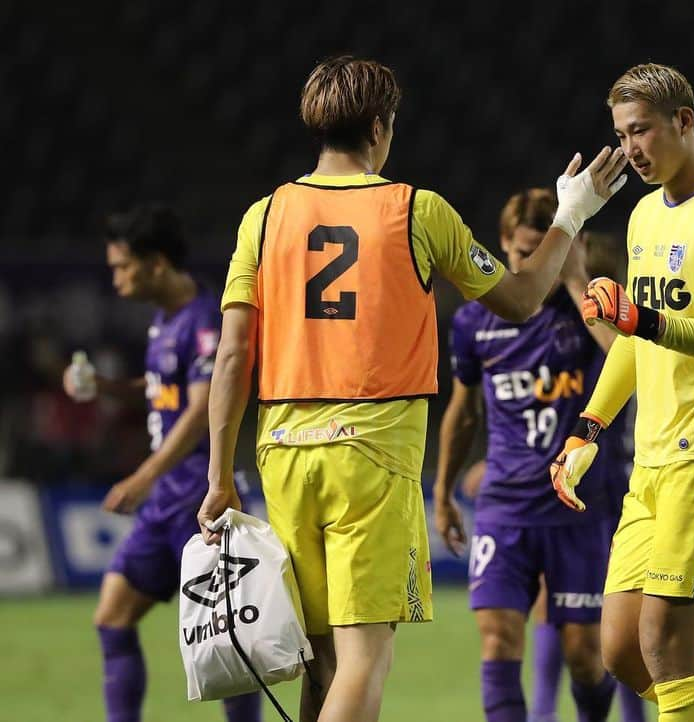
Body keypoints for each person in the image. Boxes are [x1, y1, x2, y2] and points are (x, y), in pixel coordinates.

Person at [196, 55, 627, 722]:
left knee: (320, 660)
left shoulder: (264, 215)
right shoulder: (415, 210)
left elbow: (231, 357)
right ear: (377, 128)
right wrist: (571, 215)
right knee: (365, 657)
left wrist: (221, 476)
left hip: (280, 452)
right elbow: (518, 299)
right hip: (369, 453)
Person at [550, 63, 694, 722]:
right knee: (621, 651)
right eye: (622, 134)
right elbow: (635, 346)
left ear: (685, 121)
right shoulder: (645, 216)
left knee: (668, 647)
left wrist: (640, 318)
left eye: (642, 129)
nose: (632, 148)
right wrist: (586, 429)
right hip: (652, 464)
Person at [63, 205, 262, 722]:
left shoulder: (202, 320)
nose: (116, 277)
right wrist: (105, 389)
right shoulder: (164, 321)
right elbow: (161, 393)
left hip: (202, 499)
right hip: (166, 502)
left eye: (122, 266)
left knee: (228, 645)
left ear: (155, 263)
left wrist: (143, 476)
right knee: (112, 617)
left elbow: (201, 409)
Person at [434, 190, 622, 722]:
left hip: (576, 508)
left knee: (586, 656)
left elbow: (625, 361)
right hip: (504, 507)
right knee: (497, 640)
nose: (530, 266)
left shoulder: (585, 306)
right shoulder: (475, 321)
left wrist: (575, 279)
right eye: (521, 255)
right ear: (503, 248)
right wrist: (445, 492)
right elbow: (463, 411)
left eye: (547, 252)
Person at [522, 231, 645, 722]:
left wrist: (579, 284)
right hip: (590, 471)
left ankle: (559, 712)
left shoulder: (612, 327)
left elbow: (622, 352)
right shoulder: (557, 327)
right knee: (560, 596)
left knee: (622, 606)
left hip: (618, 474)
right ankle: (544, 712)